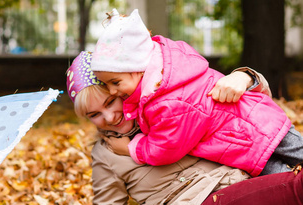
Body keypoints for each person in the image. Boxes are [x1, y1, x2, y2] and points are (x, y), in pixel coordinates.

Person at [32, 51, 303, 205]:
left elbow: (241, 110)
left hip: (246, 189)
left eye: (109, 103)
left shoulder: (169, 105)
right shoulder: (107, 154)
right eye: (94, 115)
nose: (109, 117)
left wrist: (245, 77)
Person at [90, 9, 303, 177]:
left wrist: (132, 148)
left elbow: (166, 147)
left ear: (139, 68)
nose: (112, 90)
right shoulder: (172, 73)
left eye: (115, 82)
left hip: (244, 143)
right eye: (106, 84)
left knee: (287, 181)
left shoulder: (166, 102)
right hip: (263, 119)